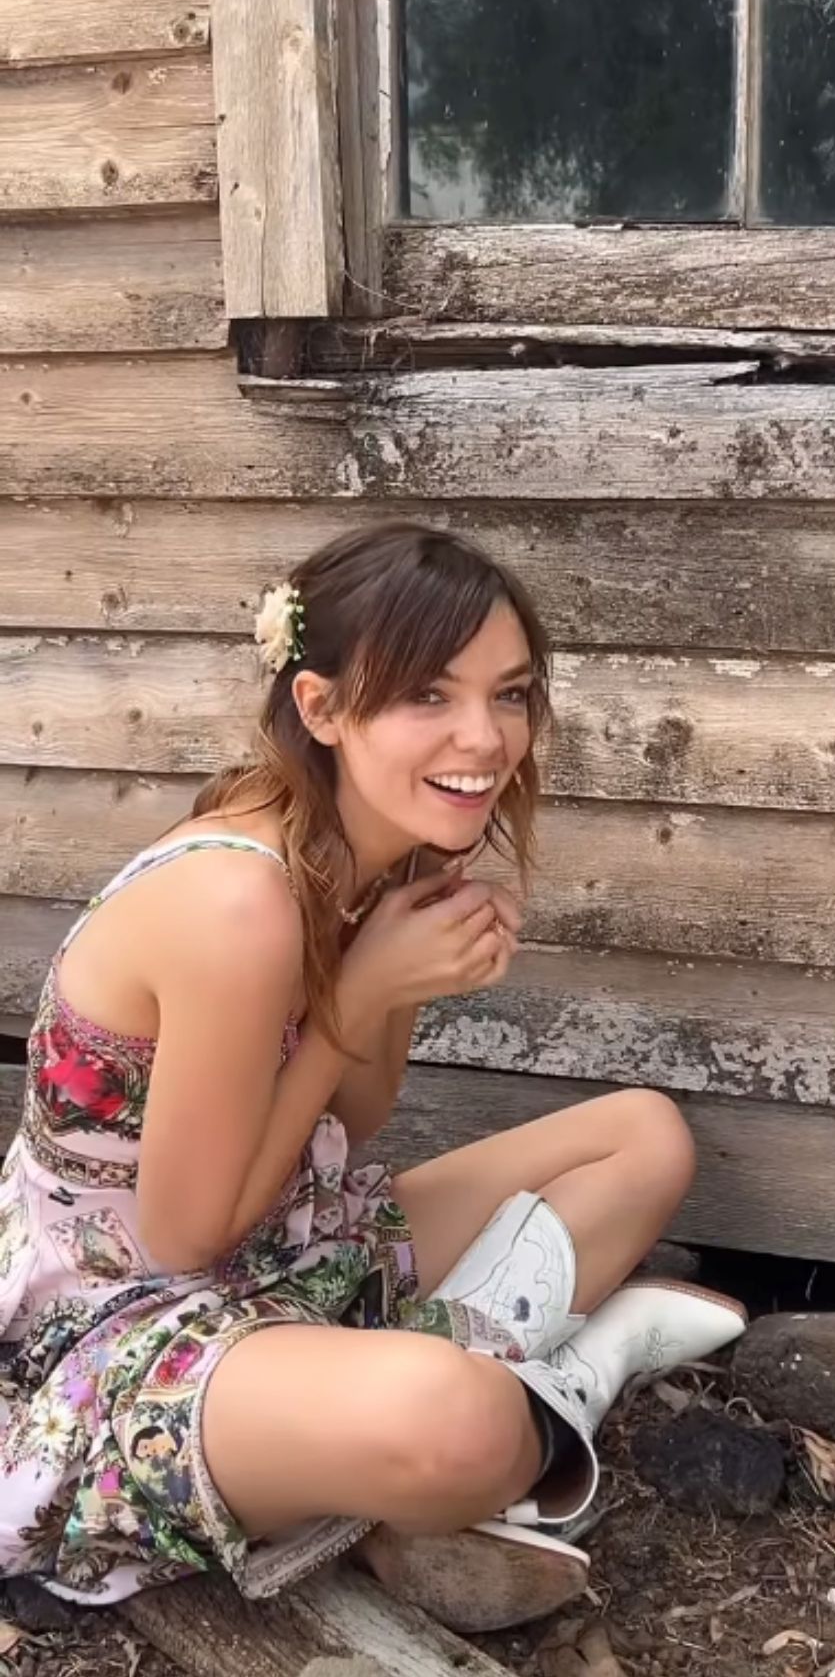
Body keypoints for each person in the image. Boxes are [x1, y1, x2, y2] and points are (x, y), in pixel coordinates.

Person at [0, 522, 746, 1628]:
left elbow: (355, 1118)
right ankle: (558, 1387)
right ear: (321, 707)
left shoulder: (378, 844)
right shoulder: (236, 903)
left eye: (510, 694)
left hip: (288, 1243)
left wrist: (391, 978)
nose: (484, 737)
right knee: (457, 1424)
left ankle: (478, 1406)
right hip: (114, 1326)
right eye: (429, 697)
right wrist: (356, 1002)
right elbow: (177, 1244)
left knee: (643, 1137)